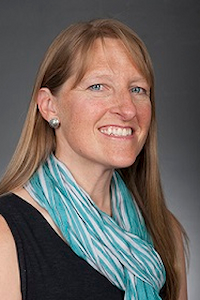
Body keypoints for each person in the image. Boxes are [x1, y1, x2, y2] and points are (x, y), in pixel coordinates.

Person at [0, 18, 188, 300]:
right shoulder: (6, 234)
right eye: (98, 86)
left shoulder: (164, 231)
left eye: (138, 89)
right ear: (50, 106)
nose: (127, 110)